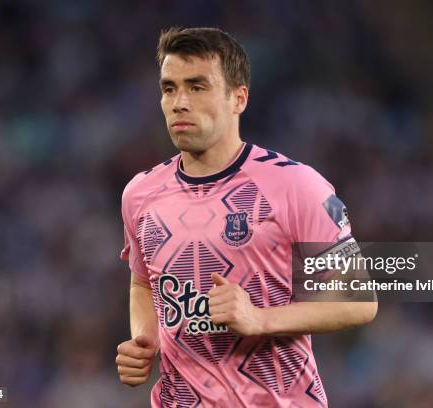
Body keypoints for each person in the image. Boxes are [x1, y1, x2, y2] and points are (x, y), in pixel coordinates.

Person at [116, 26, 377, 407]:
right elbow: (143, 283)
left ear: (239, 98)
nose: (179, 102)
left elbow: (360, 301)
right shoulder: (139, 194)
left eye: (197, 86)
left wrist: (260, 319)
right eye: (169, 88)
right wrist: (145, 339)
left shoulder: (301, 185)